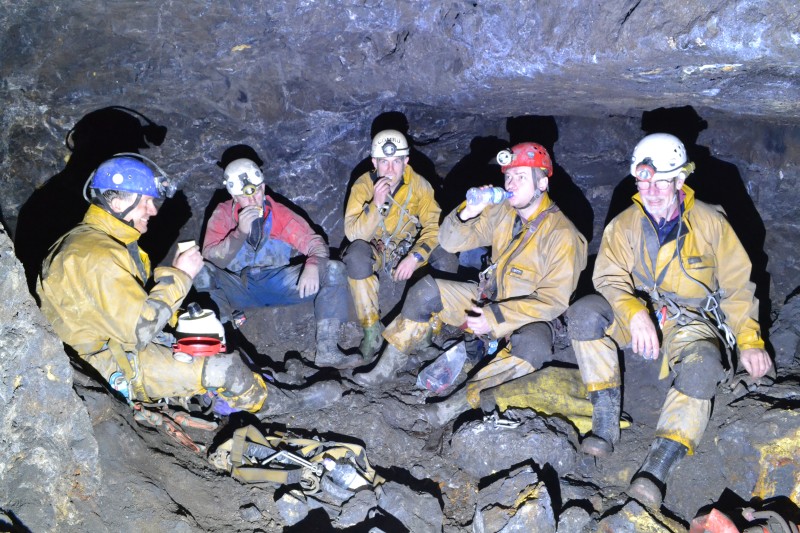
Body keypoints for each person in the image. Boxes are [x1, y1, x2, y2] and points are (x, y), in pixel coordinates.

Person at [37, 156, 341, 417]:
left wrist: (182, 320)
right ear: (117, 202)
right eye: (145, 202)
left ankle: (258, 376)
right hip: (109, 360)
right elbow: (138, 331)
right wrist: (181, 275)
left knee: (206, 333)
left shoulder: (103, 243)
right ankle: (284, 403)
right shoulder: (95, 255)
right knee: (223, 369)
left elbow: (129, 309)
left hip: (120, 340)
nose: (153, 211)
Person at [566, 133, 773, 507]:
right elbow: (609, 278)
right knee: (583, 314)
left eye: (662, 181)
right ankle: (605, 420)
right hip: (639, 313)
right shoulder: (625, 224)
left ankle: (660, 462)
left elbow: (738, 287)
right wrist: (634, 312)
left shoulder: (711, 223)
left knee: (704, 364)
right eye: (645, 181)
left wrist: (751, 342)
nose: (653, 190)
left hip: (690, 321)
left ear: (680, 180)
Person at [352, 143, 588, 425]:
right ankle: (385, 368)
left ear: (542, 182)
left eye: (521, 177)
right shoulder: (504, 212)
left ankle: (450, 408)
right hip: (488, 298)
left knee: (534, 345)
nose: (511, 183)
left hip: (529, 318)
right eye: (508, 176)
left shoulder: (563, 234)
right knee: (427, 291)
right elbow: (450, 242)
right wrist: (468, 212)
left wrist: (494, 317)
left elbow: (553, 301)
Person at [195, 157, 355, 368]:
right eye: (245, 196)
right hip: (239, 288)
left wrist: (313, 263)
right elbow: (210, 257)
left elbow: (314, 242)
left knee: (334, 270)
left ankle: (327, 350)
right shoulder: (223, 214)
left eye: (257, 191)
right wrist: (239, 233)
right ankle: (225, 347)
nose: (253, 201)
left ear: (263, 186)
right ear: (233, 196)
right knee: (200, 270)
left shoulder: (277, 213)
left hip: (278, 283)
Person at [342, 129, 458, 359]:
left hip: (407, 249)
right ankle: (371, 330)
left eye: (396, 161)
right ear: (374, 161)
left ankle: (428, 329)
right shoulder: (363, 186)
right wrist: (375, 205)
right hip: (377, 250)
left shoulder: (419, 186)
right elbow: (353, 233)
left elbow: (435, 227)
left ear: (406, 161)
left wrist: (415, 257)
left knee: (446, 255)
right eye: (384, 162)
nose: (390, 169)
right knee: (355, 254)